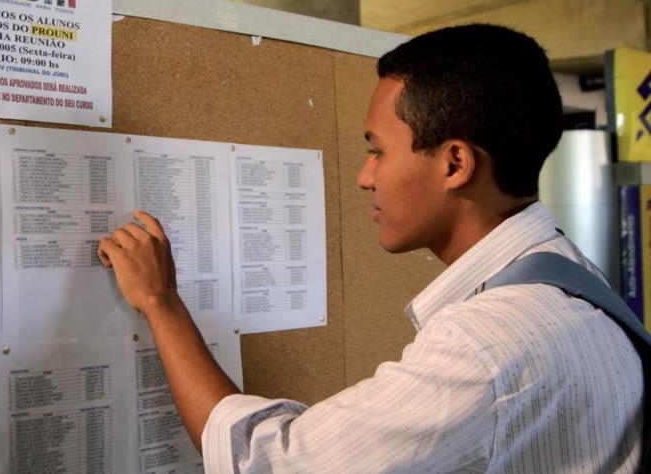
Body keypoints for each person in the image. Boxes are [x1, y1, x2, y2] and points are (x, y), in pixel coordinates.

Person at [97, 24, 643, 472]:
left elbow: (265, 464)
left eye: (378, 151)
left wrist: (161, 302)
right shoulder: (570, 275)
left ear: (455, 163)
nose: (364, 176)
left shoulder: (487, 344)